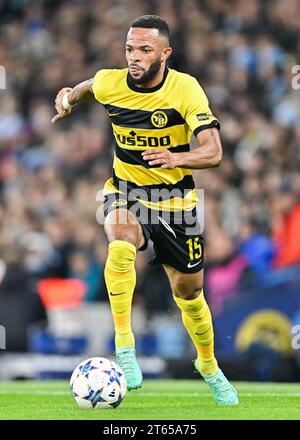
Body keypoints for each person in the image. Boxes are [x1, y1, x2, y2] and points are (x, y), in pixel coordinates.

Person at [52, 15, 239, 405]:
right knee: (120, 237)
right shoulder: (111, 82)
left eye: (144, 50)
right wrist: (68, 98)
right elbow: (89, 88)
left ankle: (208, 366)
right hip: (126, 190)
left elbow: (214, 151)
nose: (134, 58)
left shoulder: (185, 90)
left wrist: (176, 156)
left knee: (189, 293)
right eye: (129, 49)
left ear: (165, 54)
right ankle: (125, 346)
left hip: (177, 205)